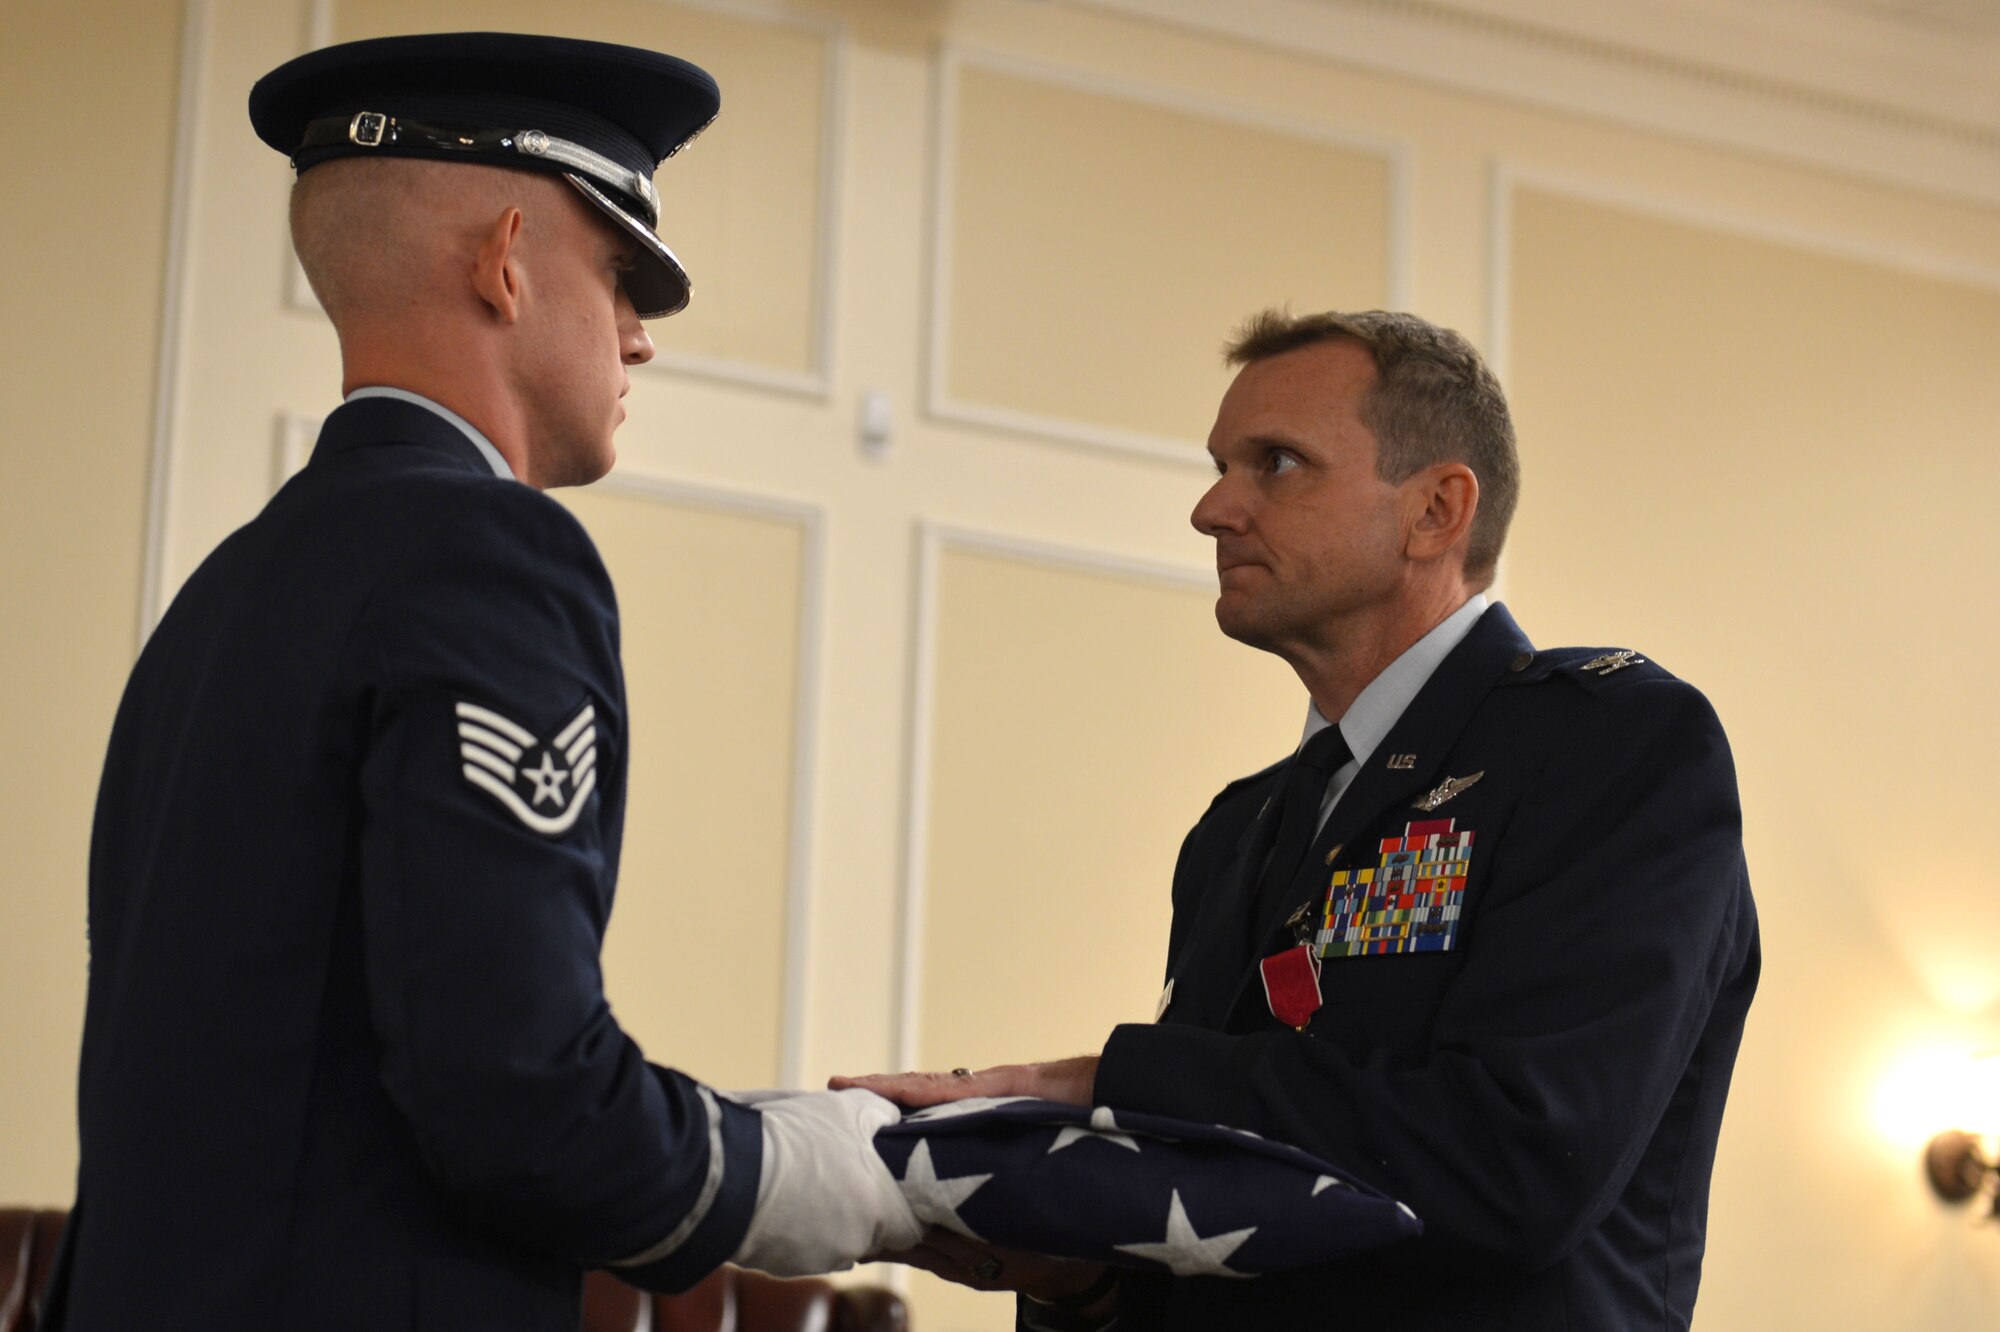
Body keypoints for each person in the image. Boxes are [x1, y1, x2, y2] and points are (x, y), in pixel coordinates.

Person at [44, 33, 916, 1332]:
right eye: (626, 276)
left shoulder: (225, 589)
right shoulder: (487, 553)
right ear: (506, 260)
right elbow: (519, 1101)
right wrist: (823, 1176)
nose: (639, 338)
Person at [838, 309, 1760, 1330]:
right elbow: (1230, 1223)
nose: (1210, 509)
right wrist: (1079, 1278)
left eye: (1274, 463)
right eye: (1219, 465)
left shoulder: (1607, 745)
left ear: (1434, 511)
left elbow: (1518, 1163)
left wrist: (1104, 1088)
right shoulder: (1239, 830)